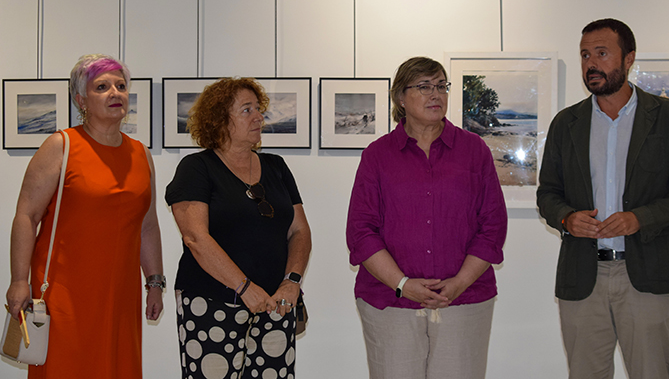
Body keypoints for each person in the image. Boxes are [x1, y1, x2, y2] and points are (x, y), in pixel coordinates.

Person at [537, 18, 669, 379]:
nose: (590, 64)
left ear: (629, 59)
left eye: (601, 53)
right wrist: (566, 219)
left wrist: (639, 218)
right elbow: (547, 194)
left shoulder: (668, 117)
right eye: (584, 55)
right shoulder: (566, 124)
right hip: (582, 276)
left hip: (645, 273)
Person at [346, 56, 508, 379]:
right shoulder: (377, 156)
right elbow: (361, 233)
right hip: (390, 303)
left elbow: (492, 227)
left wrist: (459, 283)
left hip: (464, 302)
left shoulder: (474, 151)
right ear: (400, 98)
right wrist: (403, 285)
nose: (436, 94)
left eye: (441, 86)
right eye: (424, 86)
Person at [5, 54, 165, 378]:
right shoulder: (61, 146)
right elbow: (26, 215)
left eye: (120, 86)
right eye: (102, 87)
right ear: (81, 99)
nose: (115, 93)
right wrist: (19, 280)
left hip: (121, 292)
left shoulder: (141, 154)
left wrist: (155, 282)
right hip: (65, 291)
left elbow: (147, 226)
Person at [165, 77, 311, 379]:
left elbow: (299, 231)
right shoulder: (197, 168)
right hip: (212, 303)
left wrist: (292, 281)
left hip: (276, 304)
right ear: (220, 119)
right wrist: (245, 288)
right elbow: (195, 238)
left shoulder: (276, 167)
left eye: (258, 109)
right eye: (247, 110)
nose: (259, 116)